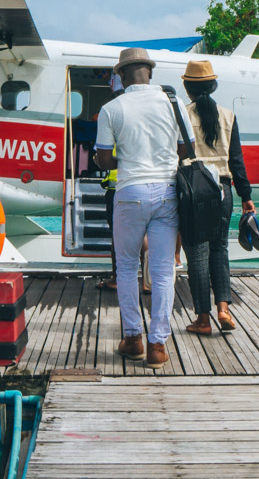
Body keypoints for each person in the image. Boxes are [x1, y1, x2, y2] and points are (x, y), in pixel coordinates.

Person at [94, 47, 181, 369]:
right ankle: (158, 346)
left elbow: (104, 160)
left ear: (120, 76)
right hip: (167, 192)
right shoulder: (174, 105)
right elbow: (186, 148)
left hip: (130, 191)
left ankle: (133, 339)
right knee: (161, 270)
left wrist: (128, 157)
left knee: (128, 267)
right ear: (151, 72)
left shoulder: (111, 108)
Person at [181, 60, 256, 335]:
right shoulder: (228, 115)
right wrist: (246, 196)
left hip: (193, 189)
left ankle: (203, 319)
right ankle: (224, 308)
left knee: (196, 254)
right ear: (213, 87)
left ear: (187, 88)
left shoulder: (182, 116)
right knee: (219, 249)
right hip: (223, 190)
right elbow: (237, 161)